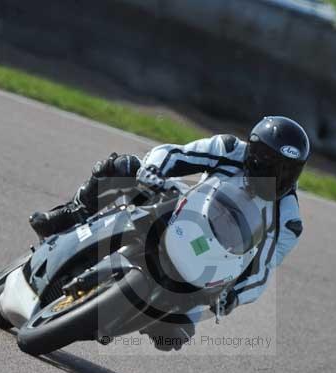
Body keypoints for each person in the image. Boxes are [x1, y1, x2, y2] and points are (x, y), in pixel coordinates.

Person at [29, 116, 308, 350]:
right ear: (253, 154)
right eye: (270, 165)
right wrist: (152, 171)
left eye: (287, 172)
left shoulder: (288, 220)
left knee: (171, 336)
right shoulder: (229, 148)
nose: (277, 177)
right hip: (181, 214)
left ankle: (139, 313)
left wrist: (233, 296)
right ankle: (74, 213)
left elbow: (262, 270)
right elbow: (175, 153)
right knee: (122, 168)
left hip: (210, 267)